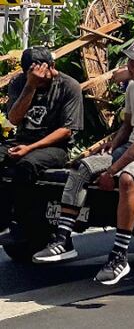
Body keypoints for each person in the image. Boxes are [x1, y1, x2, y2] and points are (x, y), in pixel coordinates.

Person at [35, 37, 134, 286]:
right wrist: (112, 147)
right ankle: (63, 239)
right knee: (82, 168)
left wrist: (113, 170)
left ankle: (119, 256)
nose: (129, 65)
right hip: (132, 147)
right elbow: (127, 125)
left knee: (126, 178)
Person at [1, 47, 83, 234]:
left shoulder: (69, 86)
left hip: (53, 146)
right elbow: (13, 119)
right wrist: (30, 86)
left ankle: (20, 221)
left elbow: (67, 130)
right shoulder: (20, 83)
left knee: (27, 165)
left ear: (52, 66)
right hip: (22, 139)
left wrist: (30, 148)